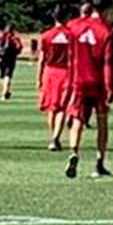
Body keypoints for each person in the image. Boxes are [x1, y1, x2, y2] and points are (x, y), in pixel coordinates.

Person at [63, 1, 113, 179]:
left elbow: (70, 57)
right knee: (102, 122)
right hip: (98, 82)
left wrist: (69, 83)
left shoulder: (73, 27)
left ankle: (73, 151)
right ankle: (99, 162)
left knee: (77, 118)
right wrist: (110, 87)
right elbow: (108, 63)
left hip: (79, 79)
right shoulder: (106, 30)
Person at [37, 9, 75, 150]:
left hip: (50, 72)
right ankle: (55, 137)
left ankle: (53, 136)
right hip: (66, 72)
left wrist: (39, 78)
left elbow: (41, 59)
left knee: (51, 107)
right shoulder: (71, 35)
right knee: (62, 107)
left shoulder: (46, 35)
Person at [0, 24, 24, 101]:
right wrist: (15, 53)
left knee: (2, 75)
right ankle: (4, 92)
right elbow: (19, 47)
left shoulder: (0, 38)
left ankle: (5, 91)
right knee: (8, 75)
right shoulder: (14, 38)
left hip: (1, 58)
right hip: (10, 58)